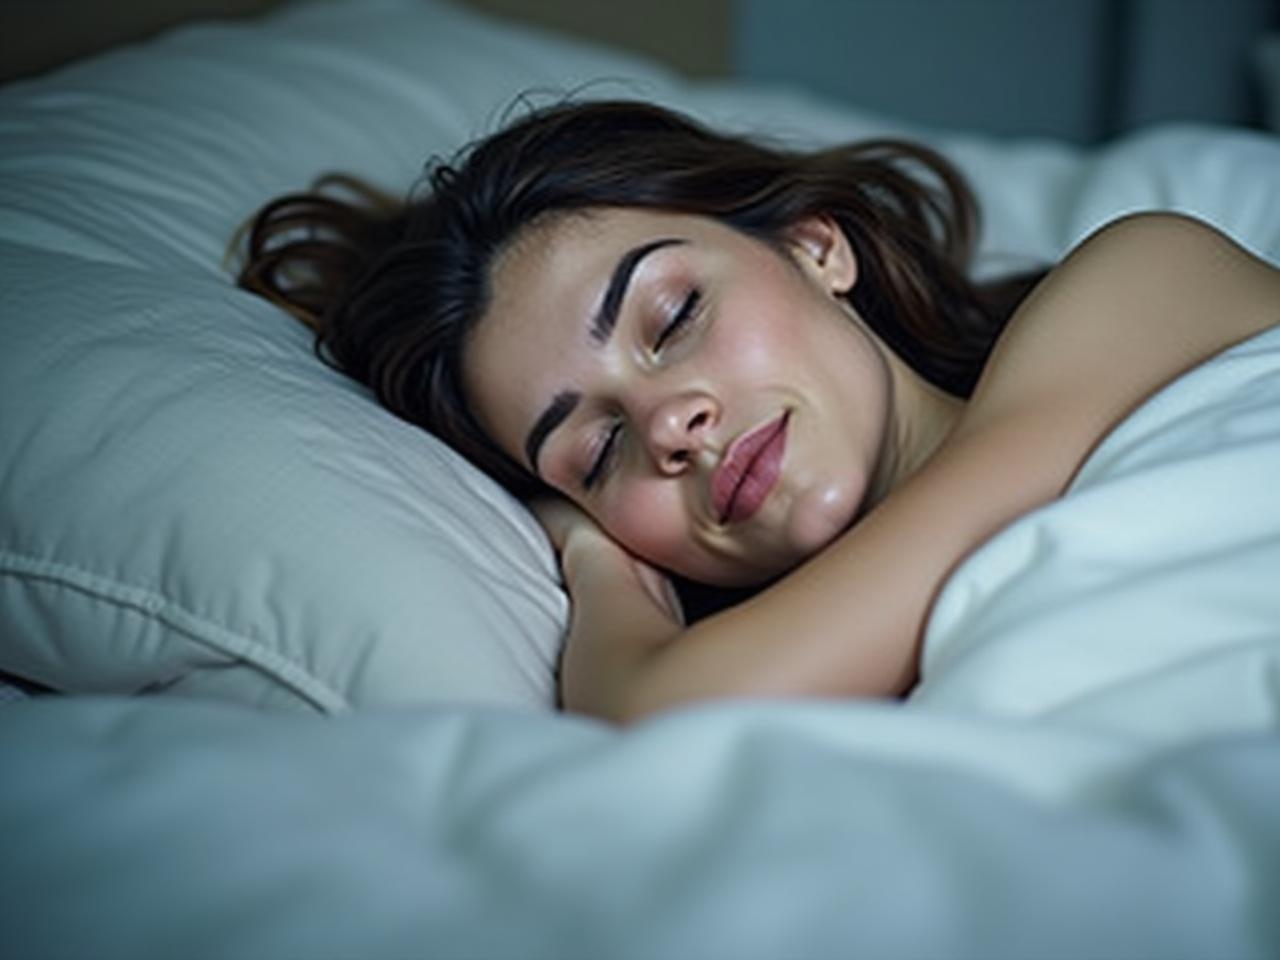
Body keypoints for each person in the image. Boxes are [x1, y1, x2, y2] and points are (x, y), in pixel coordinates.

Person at [235, 99, 1280, 723]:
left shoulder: (1138, 275)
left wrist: (600, 567)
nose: (667, 426)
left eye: (673, 314)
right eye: (595, 452)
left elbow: (663, 712)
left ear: (817, 247)